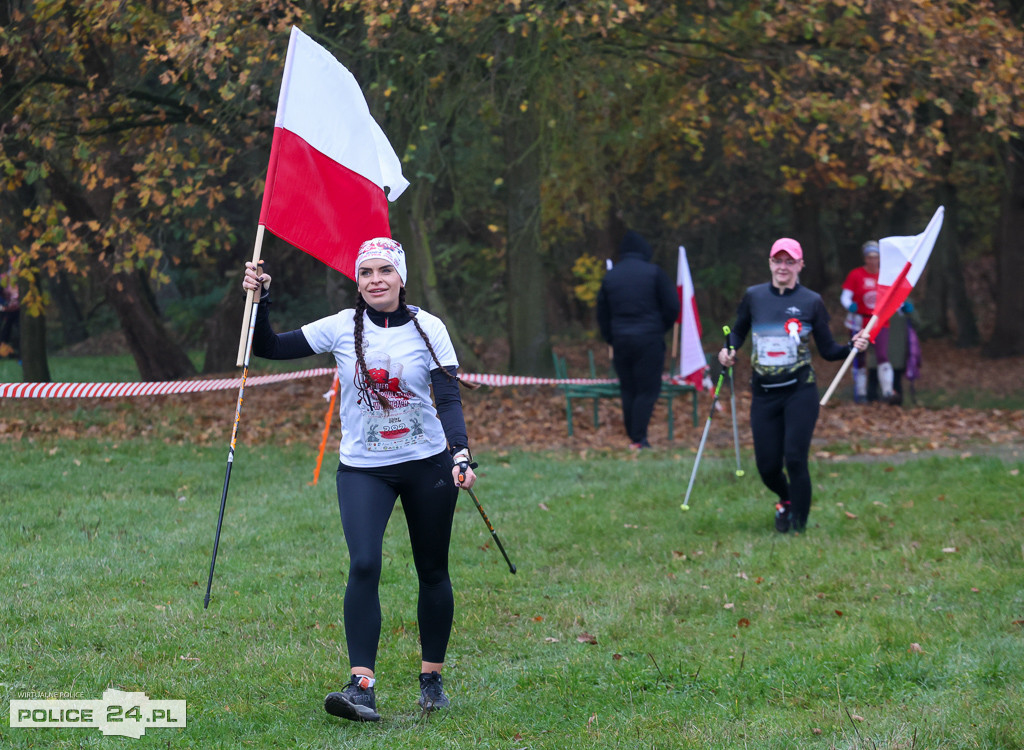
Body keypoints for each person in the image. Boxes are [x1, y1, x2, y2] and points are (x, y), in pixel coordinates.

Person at [241, 237, 477, 723]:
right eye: (366, 272)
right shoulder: (339, 328)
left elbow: (448, 397)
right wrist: (261, 299)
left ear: (401, 278)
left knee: (431, 570)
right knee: (364, 563)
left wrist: (460, 452)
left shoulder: (429, 328)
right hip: (363, 468)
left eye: (384, 271)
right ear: (358, 280)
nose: (375, 280)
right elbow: (267, 346)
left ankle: (431, 681)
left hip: (427, 464)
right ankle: (361, 686)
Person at [719, 238, 869, 533]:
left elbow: (826, 350)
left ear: (800, 265)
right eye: (778, 261)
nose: (783, 267)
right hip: (763, 393)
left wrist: (853, 346)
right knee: (767, 466)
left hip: (800, 391)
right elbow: (738, 332)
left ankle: (798, 527)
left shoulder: (811, 301)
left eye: (790, 261)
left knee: (796, 458)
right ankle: (787, 500)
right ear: (770, 264)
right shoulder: (754, 296)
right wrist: (728, 350)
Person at [596, 230, 680, 449]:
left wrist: (611, 337)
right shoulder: (654, 273)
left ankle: (634, 436)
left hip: (621, 340)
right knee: (647, 389)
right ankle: (639, 437)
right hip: (649, 340)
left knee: (628, 389)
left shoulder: (611, 277)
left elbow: (602, 314)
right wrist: (660, 328)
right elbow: (672, 306)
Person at [840, 240, 895, 403]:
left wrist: (902, 307)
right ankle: (861, 393)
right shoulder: (856, 275)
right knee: (859, 357)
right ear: (865, 258)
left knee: (882, 355)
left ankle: (887, 392)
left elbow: (892, 298)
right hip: (859, 321)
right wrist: (850, 306)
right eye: (869, 257)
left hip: (880, 322)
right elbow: (845, 296)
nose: (872, 260)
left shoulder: (885, 275)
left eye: (875, 257)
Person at [0, 264, 19, 358]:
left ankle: (18, 353)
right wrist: (3, 306)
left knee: (21, 331)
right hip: (5, 311)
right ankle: (4, 352)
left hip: (18, 310)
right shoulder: (3, 279)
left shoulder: (22, 280)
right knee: (5, 332)